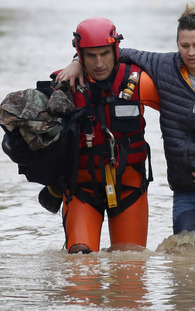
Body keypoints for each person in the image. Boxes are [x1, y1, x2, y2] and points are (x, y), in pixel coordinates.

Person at [55, 3, 195, 257]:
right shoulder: (162, 67)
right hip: (181, 190)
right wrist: (76, 62)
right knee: (185, 264)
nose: (191, 52)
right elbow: (113, 54)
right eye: (184, 46)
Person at [52, 17, 160, 254]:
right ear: (79, 54)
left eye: (104, 54)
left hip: (129, 187)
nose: (99, 63)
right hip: (82, 190)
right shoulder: (63, 86)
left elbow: (187, 112)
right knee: (80, 269)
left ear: (116, 50)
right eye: (91, 56)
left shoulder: (139, 82)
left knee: (129, 270)